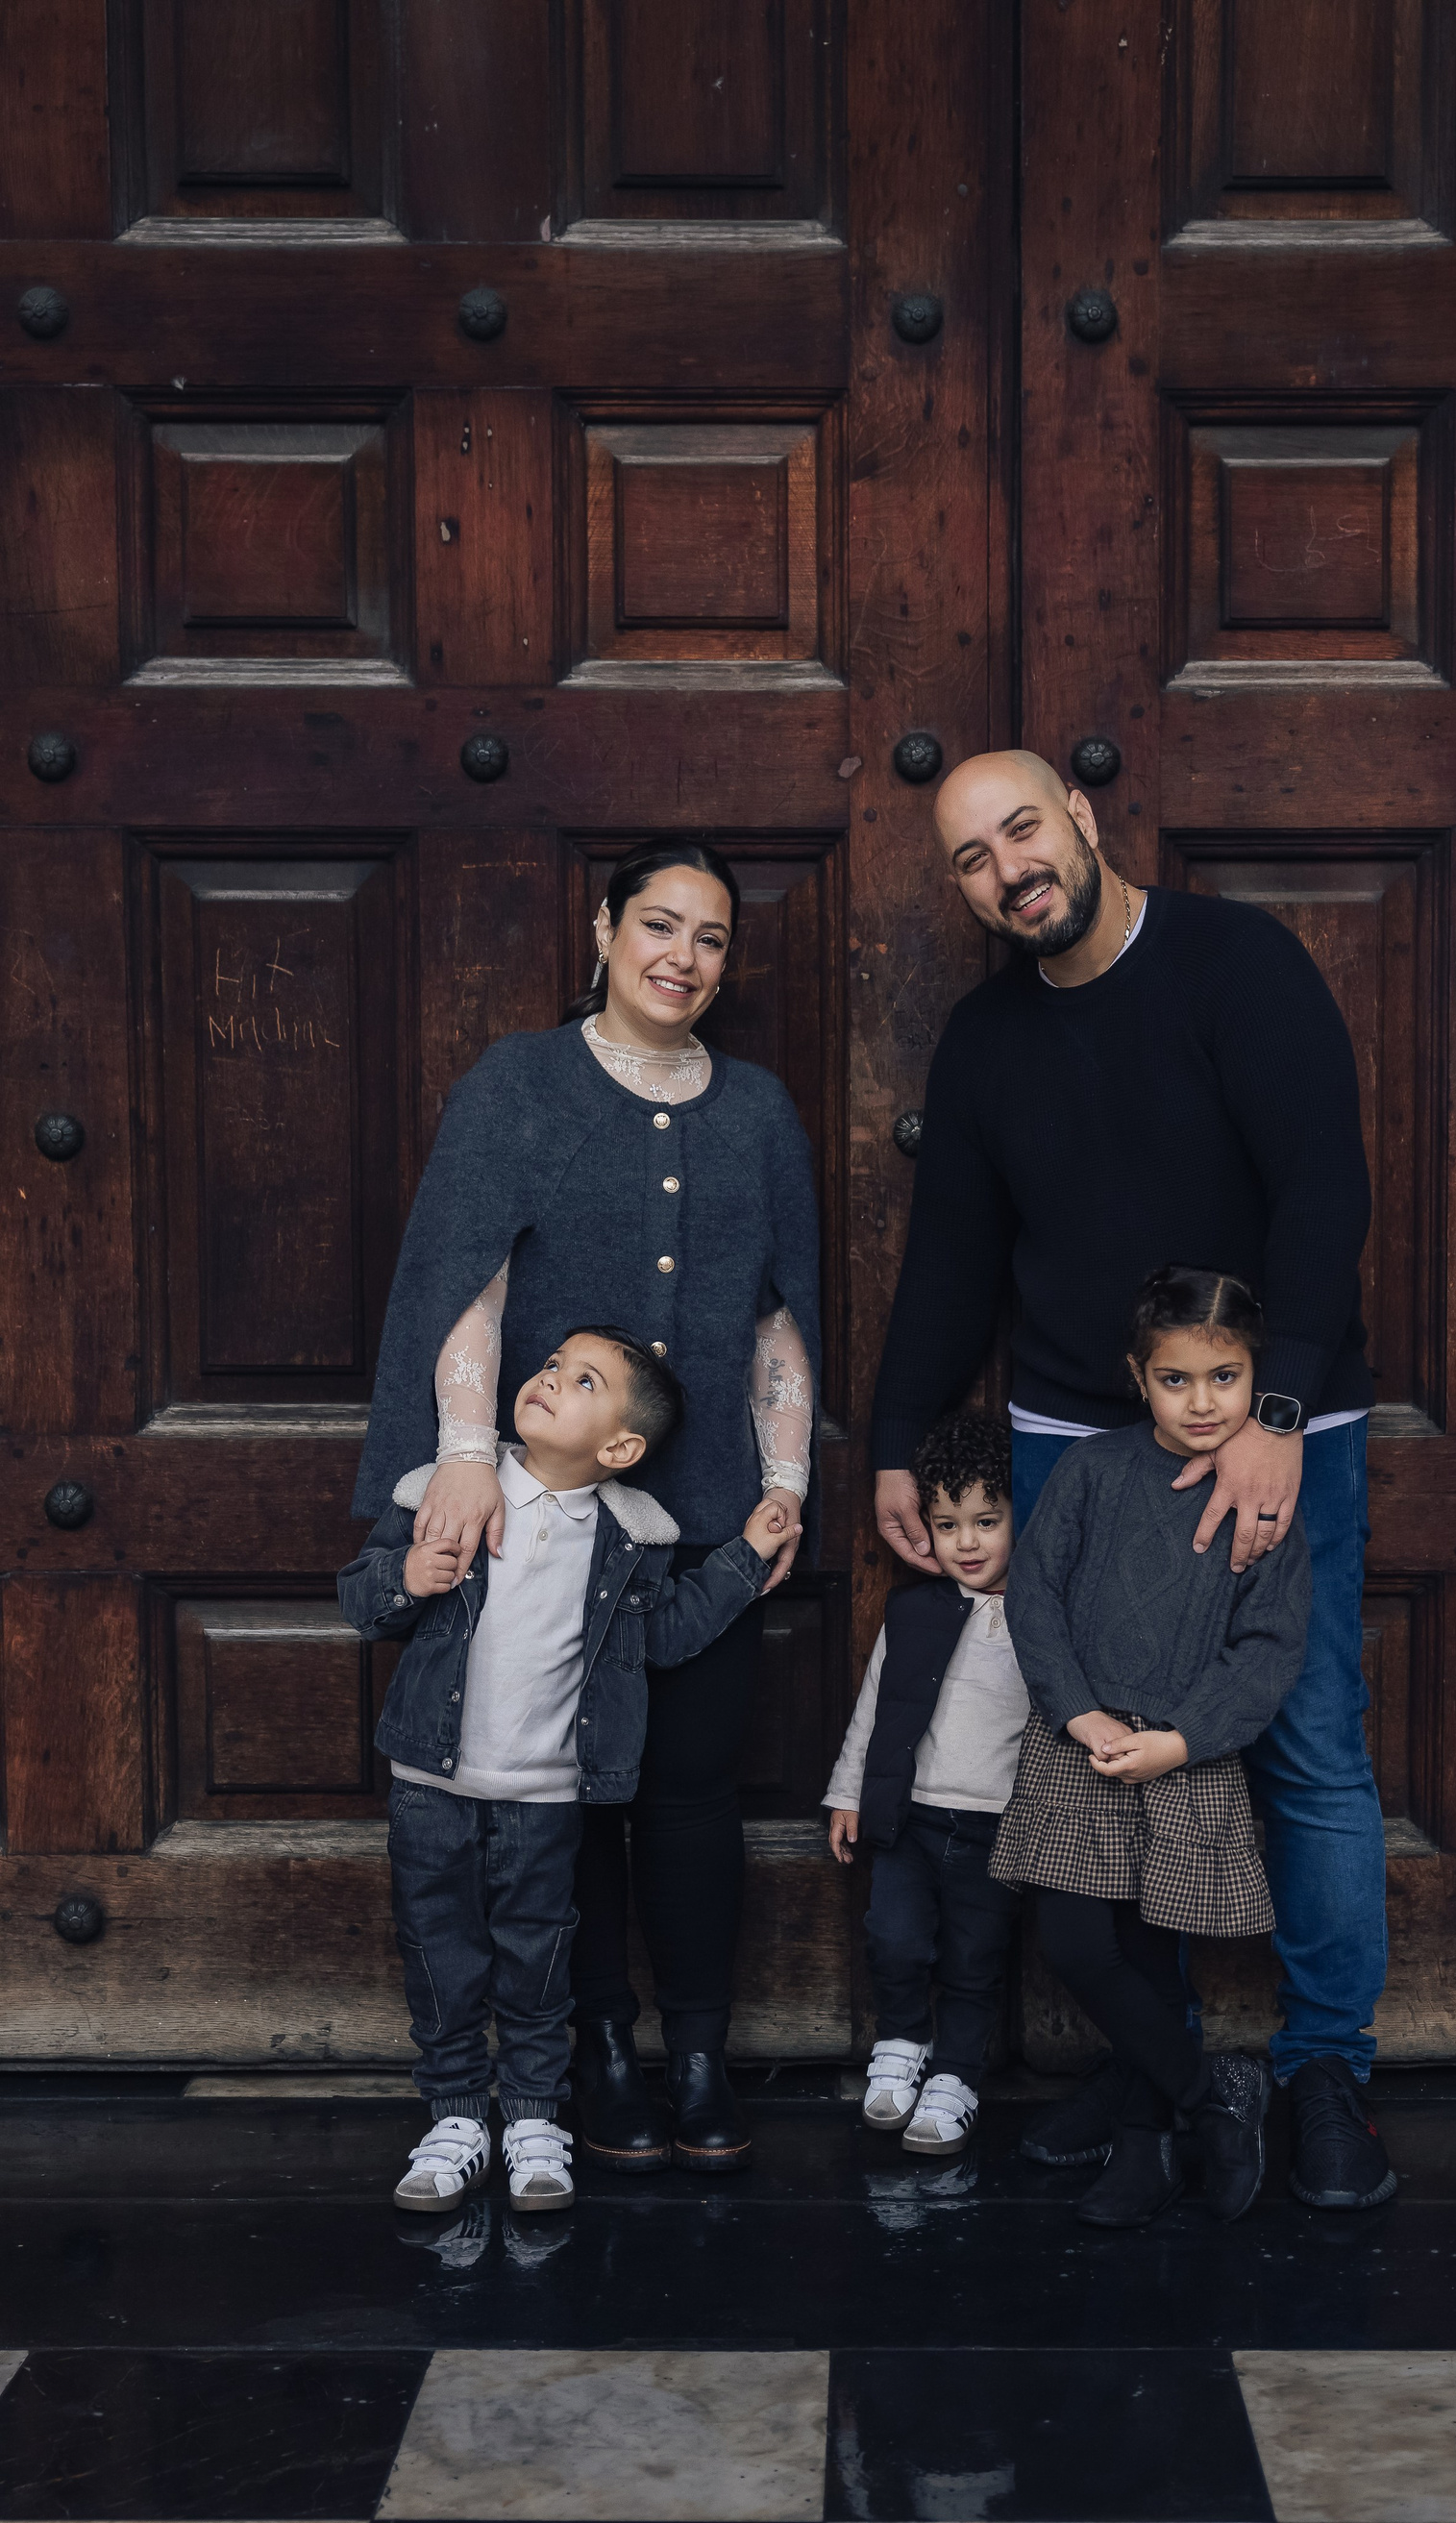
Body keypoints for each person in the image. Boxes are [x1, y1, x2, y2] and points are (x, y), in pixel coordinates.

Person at [870, 749, 1394, 2212]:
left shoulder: (1238, 965)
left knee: (1305, 1744)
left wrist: (1277, 1410)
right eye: (972, 858)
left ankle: (1326, 2072)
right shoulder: (986, 1040)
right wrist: (898, 1435)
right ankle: (1162, 2070)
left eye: (1023, 830)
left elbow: (1324, 1191)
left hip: (1273, 1424)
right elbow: (953, 1255)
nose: (1008, 870)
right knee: (1101, 1753)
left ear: (1084, 819)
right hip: (1077, 1438)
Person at [354, 841, 820, 2178]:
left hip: (710, 1513)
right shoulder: (519, 1082)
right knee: (569, 1800)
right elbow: (469, 1282)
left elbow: (779, 1319)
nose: (684, 956)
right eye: (659, 924)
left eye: (712, 938)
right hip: (545, 1512)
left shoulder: (759, 1110)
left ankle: (699, 2053)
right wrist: (461, 1455)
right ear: (607, 929)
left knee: (691, 1793)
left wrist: (785, 1484)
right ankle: (601, 2050)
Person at [340, 1327, 784, 2212]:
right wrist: (410, 1576)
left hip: (546, 1798)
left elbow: (665, 1633)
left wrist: (744, 1555)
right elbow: (362, 1594)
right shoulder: (443, 1490)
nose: (549, 1378)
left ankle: (535, 2117)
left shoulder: (631, 1536)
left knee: (539, 1963)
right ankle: (456, 2116)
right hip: (433, 1787)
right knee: (440, 1954)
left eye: (583, 1381)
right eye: (551, 1364)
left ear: (619, 1448)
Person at [995, 1267, 1310, 2228]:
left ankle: (1146, 2145)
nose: (1202, 1401)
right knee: (1077, 1945)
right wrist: (1078, 1712)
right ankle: (1214, 2094)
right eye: (1176, 1379)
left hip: (1183, 1760)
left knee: (1148, 1955)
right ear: (1138, 1378)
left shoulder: (1267, 1506)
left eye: (1224, 1377)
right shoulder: (1093, 1471)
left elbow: (1268, 1649)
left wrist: (1183, 1739)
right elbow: (1034, 1595)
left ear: (1254, 1378)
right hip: (1081, 1747)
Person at [823, 1412, 1027, 2158]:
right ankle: (903, 2041)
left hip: (998, 1827)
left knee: (975, 1960)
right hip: (910, 1819)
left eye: (986, 1521)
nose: (966, 1541)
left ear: (1019, 1517)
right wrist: (849, 1791)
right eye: (947, 1524)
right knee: (894, 1938)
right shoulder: (912, 1611)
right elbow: (875, 1706)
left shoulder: (1041, 1614)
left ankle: (957, 2075)